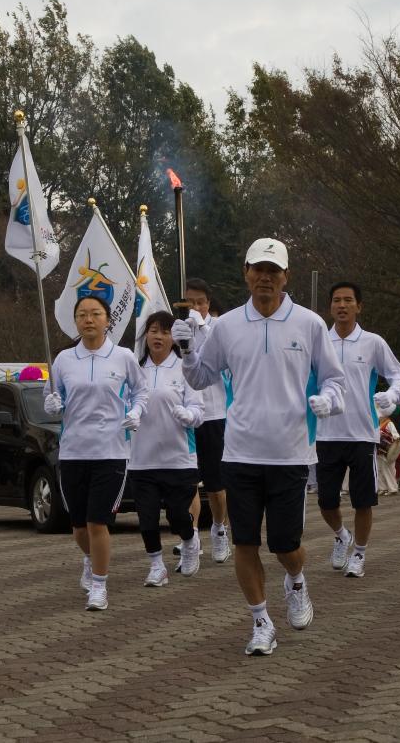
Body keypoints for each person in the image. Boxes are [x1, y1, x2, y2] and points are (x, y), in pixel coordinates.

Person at [172, 238, 345, 656]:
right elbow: (199, 378)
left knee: (286, 546)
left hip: (290, 453)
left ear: (286, 276)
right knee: (245, 543)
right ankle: (261, 621)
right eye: (258, 270)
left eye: (274, 271)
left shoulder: (308, 324)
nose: (265, 277)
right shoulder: (228, 325)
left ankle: (297, 581)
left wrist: (328, 401)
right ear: (246, 273)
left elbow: (336, 381)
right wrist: (186, 349)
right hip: (241, 453)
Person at [44, 295, 149, 612]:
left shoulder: (123, 356)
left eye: (95, 314)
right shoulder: (63, 360)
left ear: (107, 320)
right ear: (75, 321)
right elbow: (54, 395)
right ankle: (89, 559)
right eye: (82, 315)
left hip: (111, 451)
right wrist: (51, 403)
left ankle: (99, 587)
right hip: (74, 451)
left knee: (97, 523)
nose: (88, 319)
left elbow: (140, 390)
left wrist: (137, 411)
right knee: (78, 527)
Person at [314, 281, 400, 579]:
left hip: (361, 434)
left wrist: (392, 396)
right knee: (326, 501)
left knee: (363, 500)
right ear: (330, 307)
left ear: (359, 306)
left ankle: (360, 554)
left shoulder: (372, 342)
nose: (342, 305)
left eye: (348, 300)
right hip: (326, 433)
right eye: (337, 301)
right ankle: (342, 535)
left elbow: (398, 376)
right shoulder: (319, 342)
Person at [131, 311, 204, 587]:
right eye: (153, 330)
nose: (158, 336)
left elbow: (199, 410)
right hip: (142, 459)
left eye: (164, 331)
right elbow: (123, 402)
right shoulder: (136, 369)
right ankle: (156, 566)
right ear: (146, 335)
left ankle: (189, 540)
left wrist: (189, 414)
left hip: (179, 459)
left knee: (177, 517)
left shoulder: (185, 367)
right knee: (147, 519)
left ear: (174, 337)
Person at [185, 279, 233, 564]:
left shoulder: (219, 328)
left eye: (200, 302)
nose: (195, 307)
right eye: (189, 302)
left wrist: (202, 328)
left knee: (215, 485)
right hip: (185, 417)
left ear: (208, 304)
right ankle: (190, 537)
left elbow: (223, 361)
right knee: (188, 482)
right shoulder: (178, 329)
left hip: (215, 414)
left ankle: (218, 528)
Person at [375, 413, 400, 496]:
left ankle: (392, 488)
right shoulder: (378, 424)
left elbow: (395, 435)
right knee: (378, 469)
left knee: (388, 469)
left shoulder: (389, 423)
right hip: (379, 450)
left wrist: (395, 443)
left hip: (387, 451)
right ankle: (382, 488)